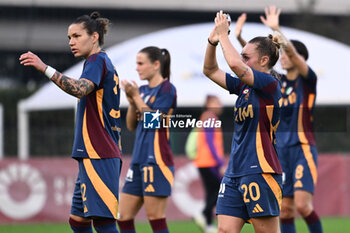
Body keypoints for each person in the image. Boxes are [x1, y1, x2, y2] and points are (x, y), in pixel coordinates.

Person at [19, 12, 122, 233]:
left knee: (105, 223)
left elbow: (80, 88)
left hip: (99, 154)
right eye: (69, 37)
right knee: (78, 221)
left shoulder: (96, 60)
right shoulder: (98, 62)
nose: (71, 42)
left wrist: (44, 68)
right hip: (93, 153)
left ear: (94, 37)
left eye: (76, 36)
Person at [203, 10, 283, 233]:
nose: (241, 59)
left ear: (264, 61)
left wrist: (224, 35)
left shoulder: (270, 84)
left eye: (247, 56)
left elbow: (236, 66)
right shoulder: (243, 87)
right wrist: (213, 40)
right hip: (235, 171)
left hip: (261, 169)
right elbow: (209, 70)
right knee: (225, 230)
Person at [260, 6, 323, 233]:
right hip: (281, 152)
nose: (284, 58)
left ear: (301, 59)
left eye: (287, 54)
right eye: (282, 54)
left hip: (303, 147)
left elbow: (294, 54)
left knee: (303, 205)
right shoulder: (280, 83)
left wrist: (277, 29)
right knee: (285, 210)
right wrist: (237, 37)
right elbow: (259, 63)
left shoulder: (308, 80)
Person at [117, 46, 177, 233]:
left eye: (141, 63)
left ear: (156, 64)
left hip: (157, 161)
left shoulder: (167, 89)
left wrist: (136, 97)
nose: (137, 68)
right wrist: (131, 100)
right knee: (123, 217)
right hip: (138, 160)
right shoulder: (142, 90)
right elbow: (132, 125)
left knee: (155, 218)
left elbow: (154, 121)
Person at [188, 95, 225, 233]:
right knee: (220, 190)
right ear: (209, 103)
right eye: (217, 102)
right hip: (209, 162)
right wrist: (220, 163)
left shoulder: (206, 117)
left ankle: (208, 224)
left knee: (212, 193)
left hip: (204, 162)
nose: (220, 105)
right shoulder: (210, 117)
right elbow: (210, 143)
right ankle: (203, 214)